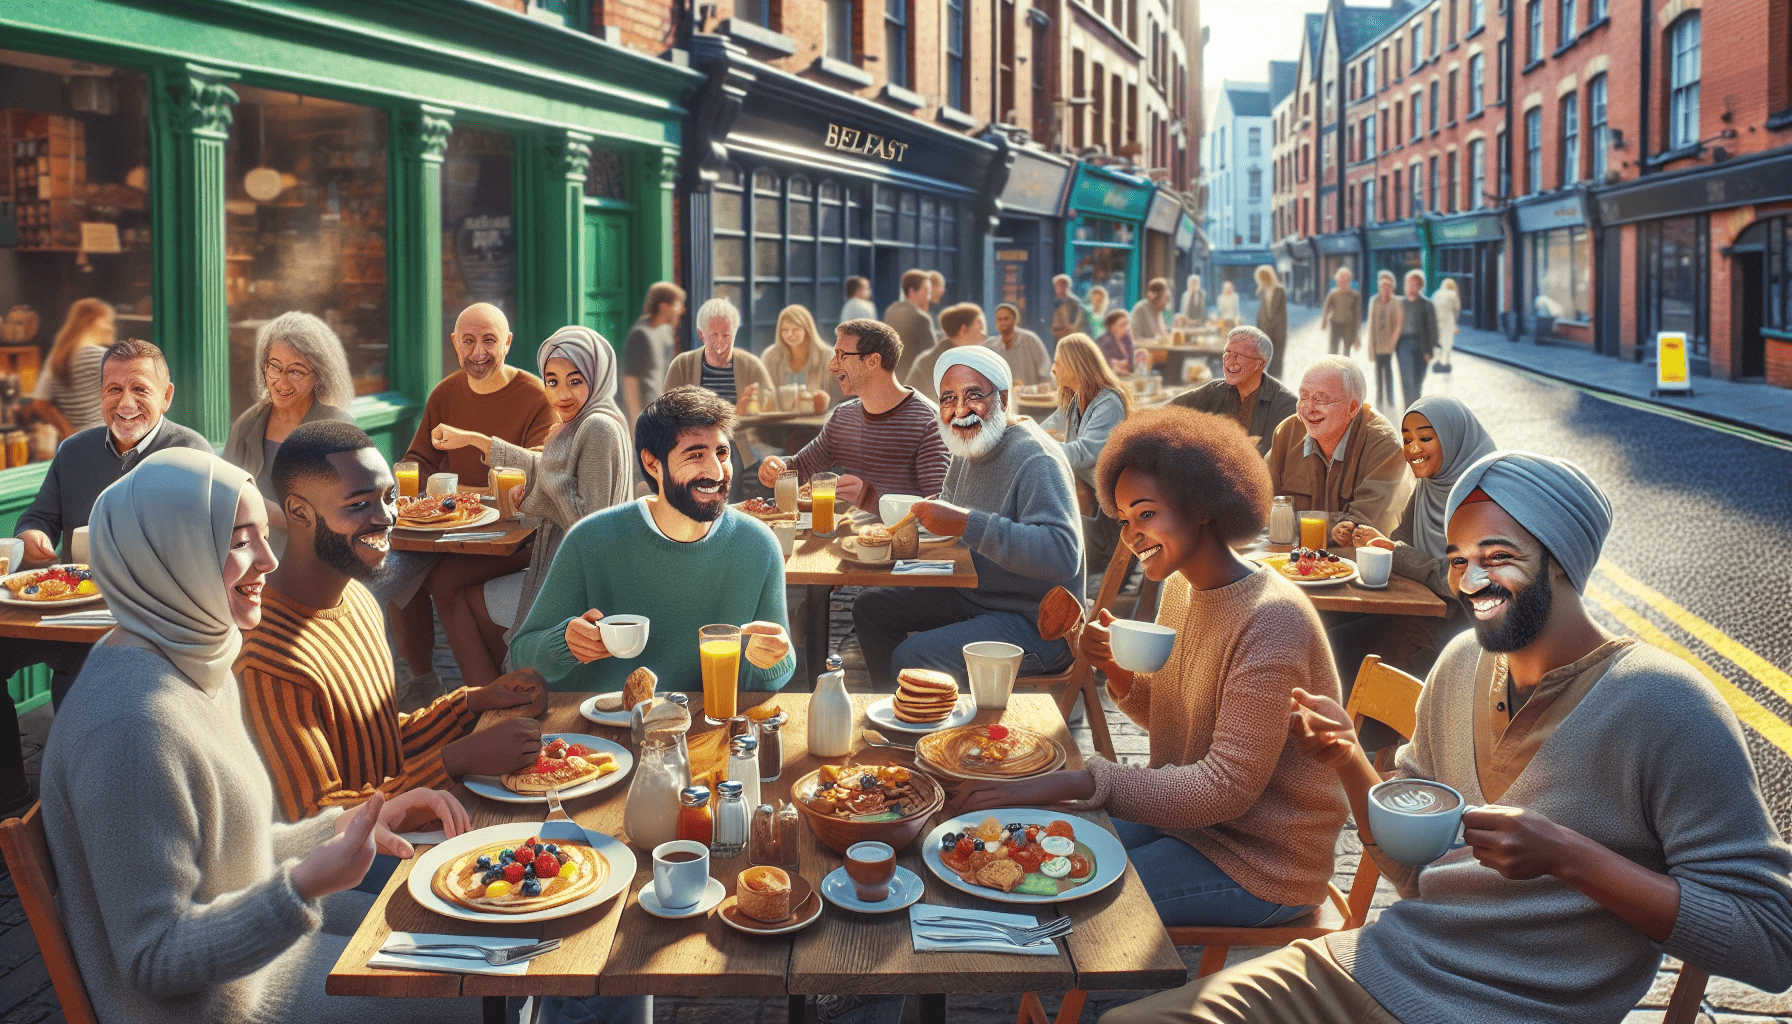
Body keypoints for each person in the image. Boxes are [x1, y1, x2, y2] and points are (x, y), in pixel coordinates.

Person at [1141, 452, 1792, 1024]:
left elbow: (1771, 944)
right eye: (1458, 560)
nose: (1469, 581)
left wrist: (1573, 859)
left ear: (1562, 562)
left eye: (1498, 558)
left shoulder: (1665, 705)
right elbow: (1416, 872)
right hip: (1370, 965)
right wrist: (1345, 760)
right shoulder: (1459, 664)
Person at [40, 447, 479, 1024]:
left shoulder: (188, 658)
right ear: (173, 554)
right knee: (472, 996)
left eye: (263, 534)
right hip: (211, 1006)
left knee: (468, 930)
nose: (270, 560)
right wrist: (300, 885)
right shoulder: (131, 725)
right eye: (240, 540)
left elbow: (224, 856)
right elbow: (152, 961)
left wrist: (345, 823)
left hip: (245, 960)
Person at [954, 407, 1348, 927]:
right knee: (1031, 848)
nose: (1131, 535)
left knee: (1056, 897)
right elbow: (1173, 720)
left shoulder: (1273, 623)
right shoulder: (1182, 587)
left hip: (1263, 863)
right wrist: (1117, 673)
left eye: (1145, 514)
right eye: (1123, 521)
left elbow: (1222, 788)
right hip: (1191, 827)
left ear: (1202, 503)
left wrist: (1072, 779)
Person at [240, 420, 548, 828]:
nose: (386, 518)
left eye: (388, 498)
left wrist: (473, 702)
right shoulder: (266, 658)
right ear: (299, 512)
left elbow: (375, 743)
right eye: (358, 505)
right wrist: (456, 759)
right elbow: (316, 820)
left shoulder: (360, 603)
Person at [510, 386, 796, 693]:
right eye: (696, 454)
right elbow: (522, 655)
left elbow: (777, 671)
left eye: (722, 453)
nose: (716, 471)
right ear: (652, 464)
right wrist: (564, 644)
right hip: (605, 729)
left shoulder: (758, 546)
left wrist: (775, 659)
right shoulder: (590, 540)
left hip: (711, 729)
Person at [852, 348, 1083, 687]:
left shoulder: (1035, 459)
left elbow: (1063, 554)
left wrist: (965, 523)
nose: (960, 410)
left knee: (911, 657)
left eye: (974, 395)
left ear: (1003, 397)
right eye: (948, 399)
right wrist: (887, 519)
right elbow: (948, 507)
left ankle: (913, 727)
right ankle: (900, 712)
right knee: (871, 607)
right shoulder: (972, 443)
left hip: (1039, 624)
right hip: (977, 596)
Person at [8, 338, 211, 715]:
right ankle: (11, 778)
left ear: (166, 396)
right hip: (70, 617)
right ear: (100, 393)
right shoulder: (73, 450)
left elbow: (204, 552)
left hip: (152, 626)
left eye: (139, 389)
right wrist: (30, 535)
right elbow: (39, 517)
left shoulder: (192, 454)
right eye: (114, 389)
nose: (126, 403)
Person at [429, 326, 633, 687]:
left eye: (575, 380)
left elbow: (589, 524)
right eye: (551, 382)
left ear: (598, 375)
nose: (562, 394)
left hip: (579, 584)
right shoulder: (584, 422)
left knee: (461, 600)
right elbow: (554, 475)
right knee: (457, 592)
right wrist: (475, 440)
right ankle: (508, 696)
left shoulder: (598, 427)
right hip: (563, 568)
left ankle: (501, 701)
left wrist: (545, 479)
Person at [385, 303, 556, 691]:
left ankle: (496, 687)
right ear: (454, 344)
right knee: (397, 572)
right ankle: (424, 680)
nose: (478, 352)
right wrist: (419, 486)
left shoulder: (535, 395)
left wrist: (460, 494)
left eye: (489, 341)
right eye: (469, 341)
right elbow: (417, 460)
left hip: (518, 534)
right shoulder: (445, 392)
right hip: (451, 529)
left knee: (444, 583)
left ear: (508, 343)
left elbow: (534, 477)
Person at [1325, 394, 1496, 687]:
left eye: (1426, 438)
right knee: (1324, 630)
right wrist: (1379, 544)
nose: (1413, 449)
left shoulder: (1481, 498)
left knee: (1352, 655)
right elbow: (1401, 538)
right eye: (1406, 440)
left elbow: (1458, 579)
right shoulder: (1427, 486)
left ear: (1454, 440)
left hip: (1462, 627)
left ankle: (1378, 731)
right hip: (1413, 609)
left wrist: (1396, 552)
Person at [757, 318, 948, 512]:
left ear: (872, 361)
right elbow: (802, 467)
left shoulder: (928, 424)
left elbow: (940, 510)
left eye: (841, 355)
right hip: (846, 534)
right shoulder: (843, 416)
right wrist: (778, 468)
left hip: (899, 540)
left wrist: (871, 499)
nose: (832, 365)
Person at [222, 312, 357, 550]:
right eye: (275, 368)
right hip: (249, 559)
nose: (282, 383)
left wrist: (274, 514)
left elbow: (349, 519)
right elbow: (223, 498)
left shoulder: (338, 429)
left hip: (313, 563)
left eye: (296, 372)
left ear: (318, 376)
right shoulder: (248, 425)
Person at [1265, 356, 1414, 537]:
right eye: (1303, 396)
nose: (1308, 408)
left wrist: (1286, 520)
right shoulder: (1286, 432)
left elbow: (1357, 527)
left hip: (1355, 561)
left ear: (1352, 407)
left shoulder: (1383, 445)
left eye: (1321, 399)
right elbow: (1262, 505)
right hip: (1292, 555)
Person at [1040, 334, 1133, 573]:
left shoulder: (1108, 402)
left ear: (1075, 364)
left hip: (1112, 516)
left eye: (1058, 362)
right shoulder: (1076, 400)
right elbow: (1041, 432)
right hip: (1092, 500)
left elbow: (1085, 452)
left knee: (1048, 536)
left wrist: (1040, 453)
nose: (1052, 368)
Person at [1172, 325, 1298, 458]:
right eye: (1227, 353)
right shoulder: (1214, 390)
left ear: (1260, 364)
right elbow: (1170, 410)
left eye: (1238, 356)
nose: (1229, 361)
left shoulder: (1287, 406)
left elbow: (1271, 461)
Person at [665, 296, 777, 411]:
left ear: (735, 333)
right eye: (714, 335)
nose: (720, 343)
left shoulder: (752, 366)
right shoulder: (681, 365)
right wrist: (736, 413)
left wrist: (759, 404)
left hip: (744, 429)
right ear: (701, 334)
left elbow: (771, 411)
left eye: (726, 335)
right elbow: (666, 414)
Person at [31, 297, 113, 435]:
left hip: (76, 443)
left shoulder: (57, 355)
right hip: (103, 440)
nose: (110, 328)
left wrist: (67, 430)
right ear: (96, 321)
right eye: (107, 322)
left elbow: (40, 403)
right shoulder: (101, 357)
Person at [622, 281, 686, 423]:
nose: (682, 310)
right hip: (645, 415)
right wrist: (636, 420)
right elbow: (630, 381)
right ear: (663, 306)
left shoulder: (666, 332)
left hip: (661, 413)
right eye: (677, 305)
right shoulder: (640, 334)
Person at [762, 304, 842, 406]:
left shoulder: (828, 356)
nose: (789, 334)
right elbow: (766, 396)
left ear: (807, 329)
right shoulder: (770, 357)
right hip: (781, 420)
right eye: (784, 330)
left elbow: (840, 398)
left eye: (796, 329)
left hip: (820, 419)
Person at [907, 302, 988, 402]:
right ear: (963, 330)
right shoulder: (933, 362)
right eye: (980, 326)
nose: (984, 334)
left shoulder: (968, 358)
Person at [1396, 269, 1438, 410]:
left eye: (1416, 285)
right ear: (1405, 285)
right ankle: (1409, 412)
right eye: (1410, 284)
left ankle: (1416, 410)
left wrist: (1429, 351)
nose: (1412, 288)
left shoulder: (1426, 304)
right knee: (1407, 381)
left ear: (1420, 287)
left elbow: (1432, 329)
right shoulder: (1399, 304)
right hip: (1403, 345)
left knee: (1417, 382)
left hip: (1422, 345)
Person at [883, 269, 936, 380]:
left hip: (893, 376)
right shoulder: (921, 318)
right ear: (912, 291)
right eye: (926, 290)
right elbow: (932, 354)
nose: (929, 295)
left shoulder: (891, 310)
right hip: (914, 380)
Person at [986, 302, 1052, 386]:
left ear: (1014, 320)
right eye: (999, 319)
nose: (1002, 322)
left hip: (1032, 396)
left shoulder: (1030, 339)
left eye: (1006, 319)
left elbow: (1045, 370)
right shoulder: (991, 345)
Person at [1366, 269, 1402, 409]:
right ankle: (1380, 399)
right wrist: (1370, 348)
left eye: (1388, 286)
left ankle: (1390, 399)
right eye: (1383, 286)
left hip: (1388, 344)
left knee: (1388, 371)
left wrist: (1392, 343)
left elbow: (1398, 324)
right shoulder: (1374, 301)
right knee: (1378, 371)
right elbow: (1371, 325)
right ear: (1379, 287)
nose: (1385, 288)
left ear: (1391, 287)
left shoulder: (1395, 302)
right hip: (1377, 343)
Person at [1255, 264, 1289, 381]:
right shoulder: (1262, 291)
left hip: (1277, 330)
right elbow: (1261, 312)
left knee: (1277, 359)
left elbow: (1283, 314)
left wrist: (1282, 331)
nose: (1259, 281)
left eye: (1261, 278)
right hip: (1265, 329)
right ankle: (1268, 384)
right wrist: (1258, 329)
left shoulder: (1280, 290)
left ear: (1266, 277)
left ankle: (1277, 384)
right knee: (1266, 358)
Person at [1320, 266, 1361, 356]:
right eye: (1340, 279)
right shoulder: (1333, 293)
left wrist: (1357, 336)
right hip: (1335, 324)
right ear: (1337, 280)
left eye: (1344, 279)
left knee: (1346, 351)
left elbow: (1357, 314)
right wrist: (1324, 322)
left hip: (1348, 325)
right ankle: (1332, 369)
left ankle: (1345, 369)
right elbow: (1326, 308)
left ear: (1348, 280)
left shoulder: (1354, 295)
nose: (1342, 282)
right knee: (1333, 351)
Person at [1431, 277, 1461, 373]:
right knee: (1447, 341)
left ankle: (1438, 360)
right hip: (1448, 320)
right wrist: (1455, 325)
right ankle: (1447, 362)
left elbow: (1431, 307)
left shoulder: (1437, 293)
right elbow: (1456, 309)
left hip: (1436, 320)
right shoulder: (1453, 294)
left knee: (1438, 341)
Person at [1129, 277, 1171, 345]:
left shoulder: (1158, 310)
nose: (1165, 302)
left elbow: (1163, 335)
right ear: (1154, 296)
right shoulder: (1140, 309)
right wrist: (1156, 341)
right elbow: (1134, 339)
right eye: (1163, 297)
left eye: (1166, 298)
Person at [1096, 308, 1136, 375]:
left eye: (1127, 324)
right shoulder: (1104, 340)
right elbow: (1101, 361)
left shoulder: (1127, 338)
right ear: (1112, 327)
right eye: (1122, 325)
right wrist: (1114, 363)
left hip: (1127, 374)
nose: (1127, 328)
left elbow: (1131, 360)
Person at [1052, 274, 1091, 340]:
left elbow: (1074, 327)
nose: (1060, 287)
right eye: (1058, 285)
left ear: (1067, 286)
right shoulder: (1053, 303)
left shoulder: (1075, 304)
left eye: (1063, 285)